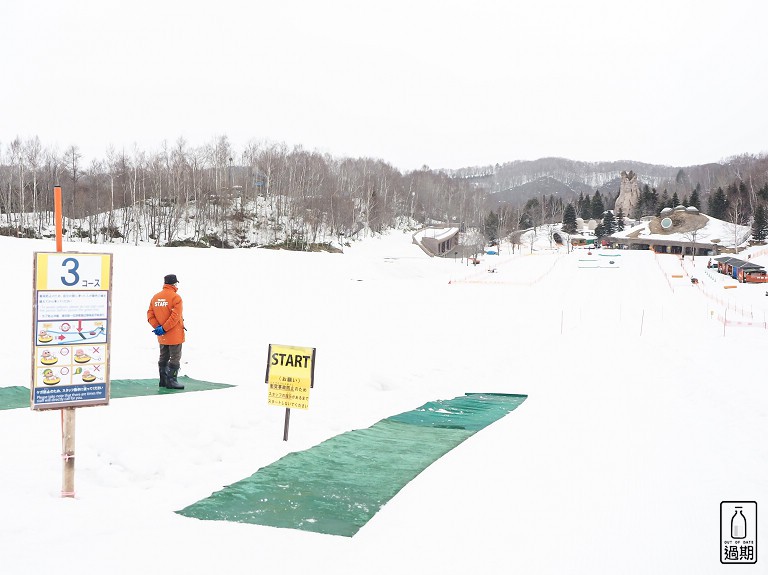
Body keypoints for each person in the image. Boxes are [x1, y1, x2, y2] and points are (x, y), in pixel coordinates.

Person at [147, 274, 185, 389]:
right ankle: (171, 381)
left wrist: (158, 327)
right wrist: (164, 328)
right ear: (174, 284)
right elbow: (175, 317)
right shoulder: (176, 298)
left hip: (162, 335)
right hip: (174, 334)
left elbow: (150, 314)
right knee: (175, 357)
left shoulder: (155, 297)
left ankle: (163, 380)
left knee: (163, 356)